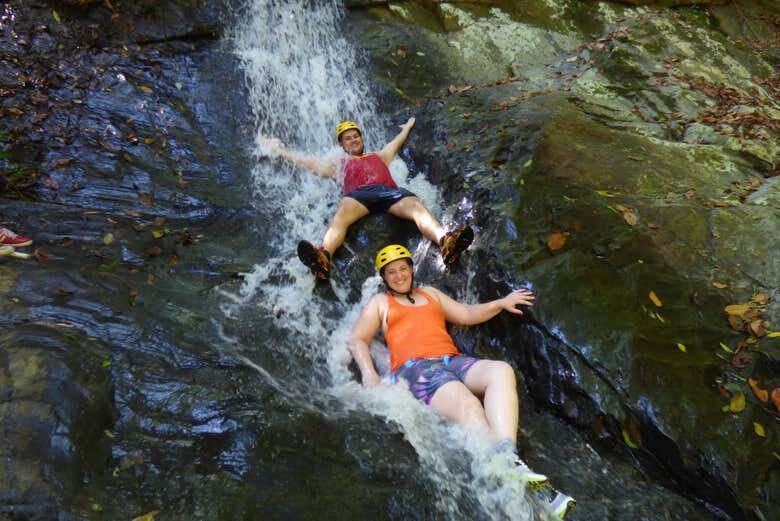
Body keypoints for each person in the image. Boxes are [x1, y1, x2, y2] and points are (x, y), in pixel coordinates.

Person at [347, 245, 575, 519]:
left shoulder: (429, 293)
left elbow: (466, 313)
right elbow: (357, 338)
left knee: (501, 371)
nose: (398, 275)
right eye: (391, 272)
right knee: (467, 404)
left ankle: (508, 456)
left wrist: (501, 302)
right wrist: (369, 374)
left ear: (411, 269)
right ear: (385, 278)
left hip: (450, 360)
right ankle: (519, 484)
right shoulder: (381, 303)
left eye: (402, 268)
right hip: (415, 369)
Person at [261, 118, 473, 280]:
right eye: (348, 138)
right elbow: (306, 161)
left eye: (356, 136)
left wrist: (407, 128)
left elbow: (396, 143)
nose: (353, 140)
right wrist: (279, 151)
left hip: (389, 192)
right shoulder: (338, 165)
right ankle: (323, 257)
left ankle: (446, 242)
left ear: (362, 139)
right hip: (358, 196)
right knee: (343, 211)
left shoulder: (379, 157)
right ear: (342, 145)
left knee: (416, 206)